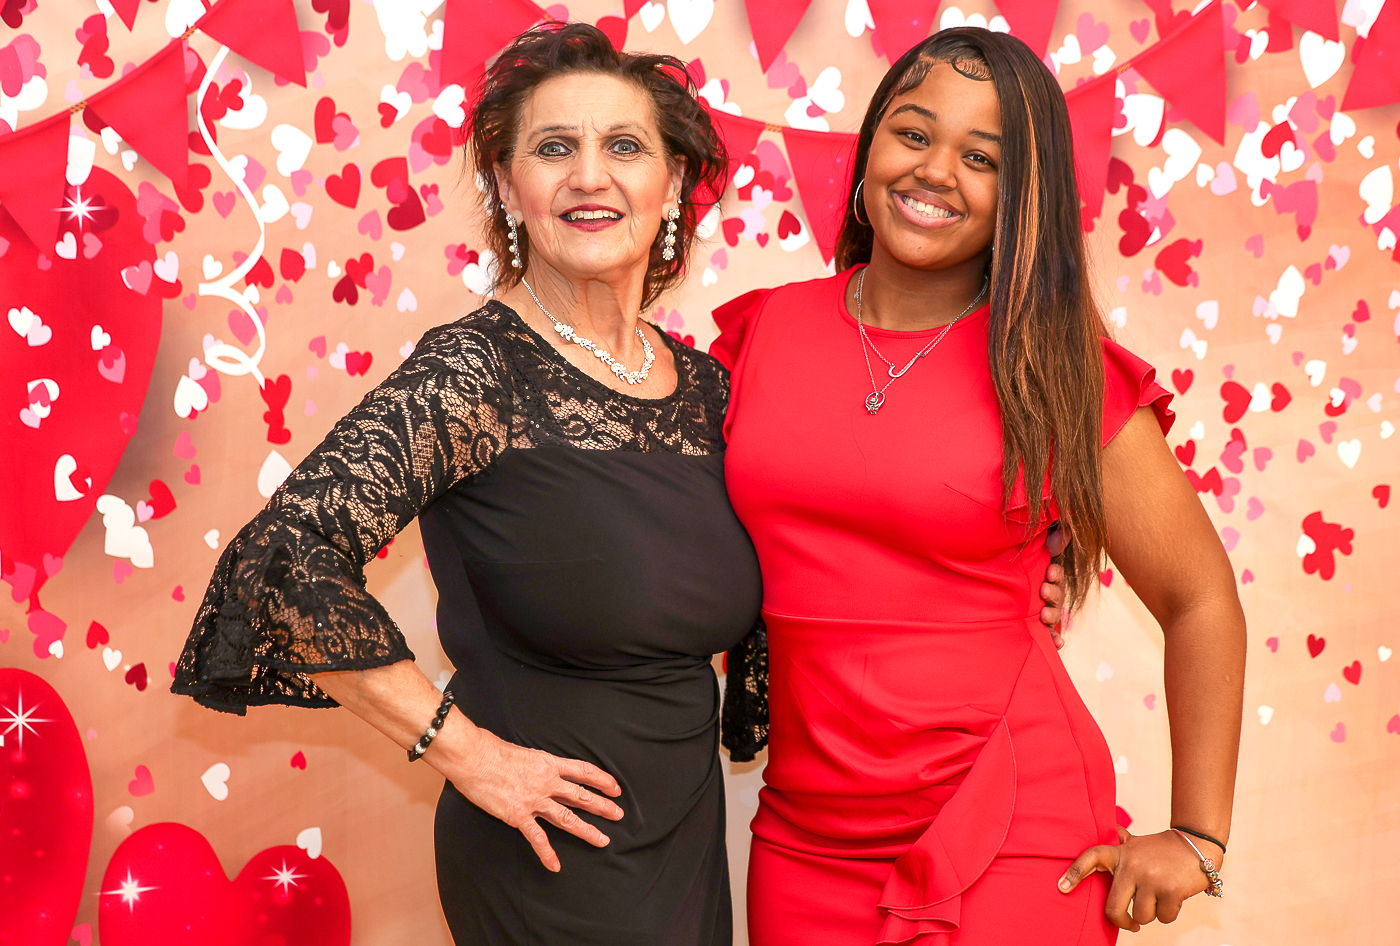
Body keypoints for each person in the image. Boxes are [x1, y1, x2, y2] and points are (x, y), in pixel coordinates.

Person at [172, 23, 1069, 946]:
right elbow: (279, 561)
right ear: (508, 187)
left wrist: (1027, 552)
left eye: (626, 147)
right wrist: (465, 753)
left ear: (672, 184)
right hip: (545, 855)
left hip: (684, 847)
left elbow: (835, 513)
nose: (590, 177)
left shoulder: (710, 387)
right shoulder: (474, 372)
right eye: (554, 149)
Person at [712, 27, 1247, 945]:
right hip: (803, 838)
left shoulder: (1057, 367)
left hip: (1012, 830)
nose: (936, 172)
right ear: (869, 148)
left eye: (982, 158)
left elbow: (1199, 596)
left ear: (1022, 195)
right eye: (914, 134)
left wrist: (1200, 834)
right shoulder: (764, 331)